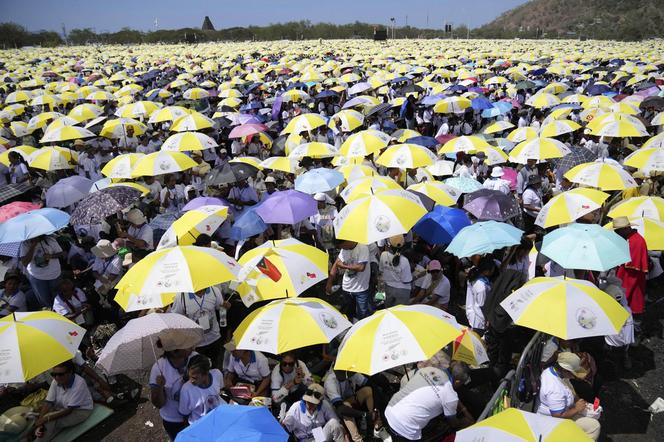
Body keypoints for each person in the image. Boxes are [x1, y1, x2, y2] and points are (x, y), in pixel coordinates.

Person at [385, 352, 473, 441]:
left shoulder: (428, 369)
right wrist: (464, 421)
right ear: (458, 381)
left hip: (390, 410)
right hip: (406, 428)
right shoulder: (450, 395)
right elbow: (453, 423)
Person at [537, 352, 601, 441]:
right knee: (594, 426)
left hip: (565, 409)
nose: (574, 376)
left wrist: (578, 400)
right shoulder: (555, 389)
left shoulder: (554, 371)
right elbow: (557, 415)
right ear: (564, 370)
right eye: (573, 373)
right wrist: (577, 409)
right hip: (553, 420)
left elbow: (569, 389)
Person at [33, 360, 93, 442]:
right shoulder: (56, 381)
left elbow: (69, 410)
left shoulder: (79, 383)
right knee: (39, 414)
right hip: (62, 408)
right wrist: (40, 420)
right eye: (54, 374)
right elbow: (48, 402)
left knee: (49, 421)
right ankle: (42, 433)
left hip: (80, 411)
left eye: (60, 374)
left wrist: (45, 419)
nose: (57, 377)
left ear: (70, 372)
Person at [149, 344, 196, 440]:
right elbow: (159, 404)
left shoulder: (195, 358)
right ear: (174, 351)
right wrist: (159, 387)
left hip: (195, 415)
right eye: (185, 344)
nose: (192, 345)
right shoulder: (158, 368)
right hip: (173, 421)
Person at [171, 285, 228, 364]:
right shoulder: (181, 296)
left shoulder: (214, 291)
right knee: (199, 370)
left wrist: (225, 307)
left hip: (214, 338)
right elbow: (176, 318)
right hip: (195, 344)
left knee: (215, 366)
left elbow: (220, 307)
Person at [323, 369, 379, 442]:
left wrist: (376, 410)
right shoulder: (330, 382)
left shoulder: (349, 372)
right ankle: (357, 439)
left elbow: (369, 384)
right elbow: (341, 409)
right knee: (346, 406)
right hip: (334, 409)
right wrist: (365, 414)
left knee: (367, 390)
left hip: (347, 401)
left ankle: (372, 423)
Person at [613, 216, 648, 330]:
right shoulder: (630, 239)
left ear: (625, 229)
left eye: (618, 231)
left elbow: (632, 270)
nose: (617, 233)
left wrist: (623, 293)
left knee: (633, 305)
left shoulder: (635, 242)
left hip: (630, 281)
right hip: (626, 278)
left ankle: (634, 332)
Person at [327, 240, 372, 320]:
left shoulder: (362, 247)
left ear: (347, 242)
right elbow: (335, 265)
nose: (341, 248)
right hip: (346, 288)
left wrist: (344, 266)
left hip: (360, 289)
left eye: (342, 246)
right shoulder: (344, 249)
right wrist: (329, 283)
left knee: (362, 315)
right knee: (348, 313)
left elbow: (361, 267)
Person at [178, 354, 226, 424]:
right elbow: (184, 413)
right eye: (190, 376)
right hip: (201, 424)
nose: (191, 380)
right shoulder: (186, 389)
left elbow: (221, 389)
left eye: (194, 378)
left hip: (220, 417)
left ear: (206, 373)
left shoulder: (217, 374)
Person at [19, 235, 64, 308]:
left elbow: (61, 254)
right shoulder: (25, 244)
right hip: (37, 277)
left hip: (54, 274)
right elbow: (25, 262)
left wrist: (51, 256)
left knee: (58, 298)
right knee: (45, 302)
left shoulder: (50, 239)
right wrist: (33, 246)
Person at [271, 351, 313, 415]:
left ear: (294, 362)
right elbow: (275, 398)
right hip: (284, 397)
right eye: (284, 363)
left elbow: (311, 384)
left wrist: (303, 376)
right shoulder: (276, 373)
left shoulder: (299, 364)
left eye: (291, 364)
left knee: (309, 390)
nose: (287, 366)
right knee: (281, 405)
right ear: (280, 362)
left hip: (297, 392)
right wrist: (293, 383)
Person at [379, 235, 412, 307]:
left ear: (389, 245)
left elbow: (381, 270)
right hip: (402, 290)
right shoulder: (404, 260)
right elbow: (406, 280)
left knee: (389, 311)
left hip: (388, 288)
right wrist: (418, 276)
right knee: (399, 313)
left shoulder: (383, 255)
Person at [465, 257, 495, 335]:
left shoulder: (474, 277)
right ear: (487, 271)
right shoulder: (482, 286)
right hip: (479, 320)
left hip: (471, 313)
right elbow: (482, 305)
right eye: (492, 269)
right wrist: (487, 320)